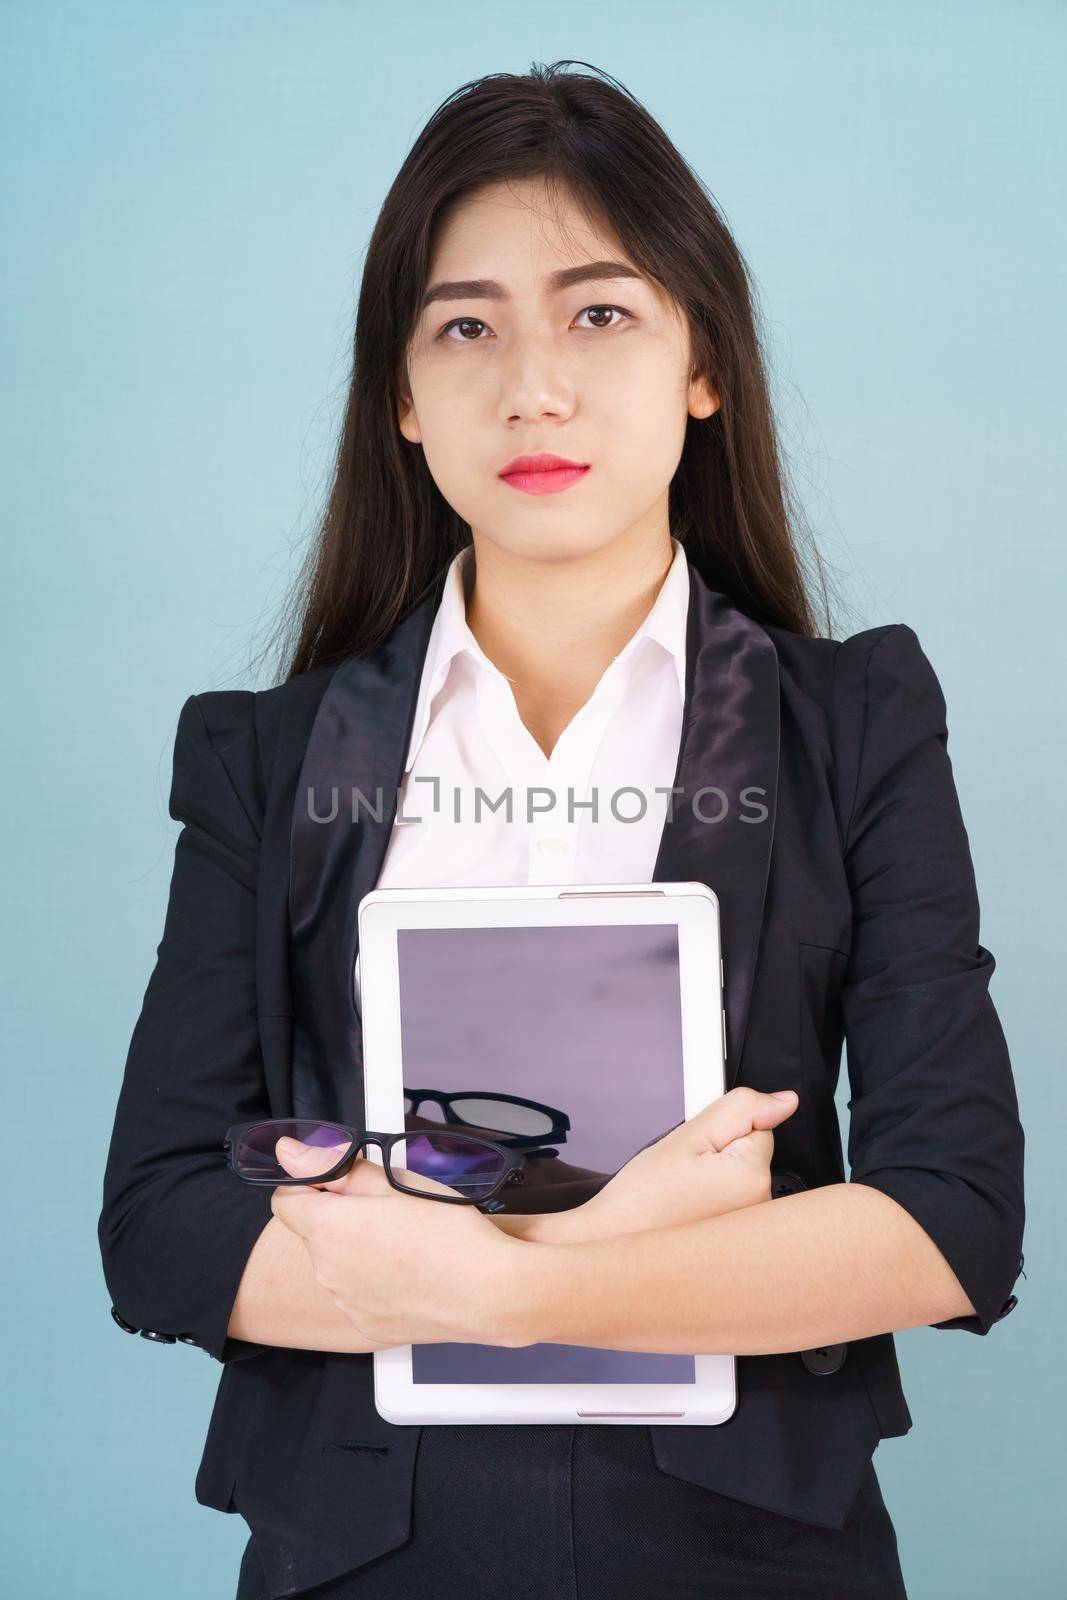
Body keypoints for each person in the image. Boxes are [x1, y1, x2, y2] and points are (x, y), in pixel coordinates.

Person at [98, 61, 1026, 1600]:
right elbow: (163, 1224)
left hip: (753, 1556)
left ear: (701, 364)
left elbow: (952, 1224)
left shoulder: (853, 723)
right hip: (365, 1551)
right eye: (466, 325)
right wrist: (620, 1238)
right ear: (401, 395)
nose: (533, 383)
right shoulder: (268, 761)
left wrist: (497, 1286)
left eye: (601, 312)